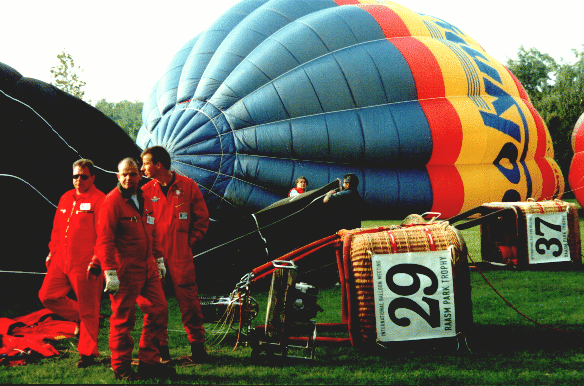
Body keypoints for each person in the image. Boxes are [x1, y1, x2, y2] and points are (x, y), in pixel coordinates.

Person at [94, 157, 175, 380]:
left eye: (133, 174)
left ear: (140, 175)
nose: (129, 178)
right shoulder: (111, 202)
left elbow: (153, 231)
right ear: (118, 176)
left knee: (159, 311)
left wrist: (158, 260)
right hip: (124, 271)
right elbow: (104, 240)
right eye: (125, 174)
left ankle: (149, 362)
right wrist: (110, 272)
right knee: (123, 319)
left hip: (147, 268)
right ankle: (121, 367)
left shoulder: (145, 199)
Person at [140, 146, 210, 362]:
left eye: (145, 163)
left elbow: (202, 218)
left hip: (180, 254)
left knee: (189, 303)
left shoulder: (188, 186)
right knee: (156, 305)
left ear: (158, 165)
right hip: (155, 257)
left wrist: (189, 241)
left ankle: (198, 347)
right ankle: (161, 349)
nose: (142, 168)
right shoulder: (145, 192)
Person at [38, 159, 105, 368]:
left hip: (86, 263)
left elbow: (104, 235)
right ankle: (83, 318)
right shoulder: (66, 197)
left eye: (83, 176)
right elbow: (57, 230)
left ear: (92, 178)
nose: (78, 180)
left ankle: (87, 354)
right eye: (75, 176)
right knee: (47, 296)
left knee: (89, 309)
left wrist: (97, 260)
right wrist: (52, 252)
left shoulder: (99, 199)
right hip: (61, 260)